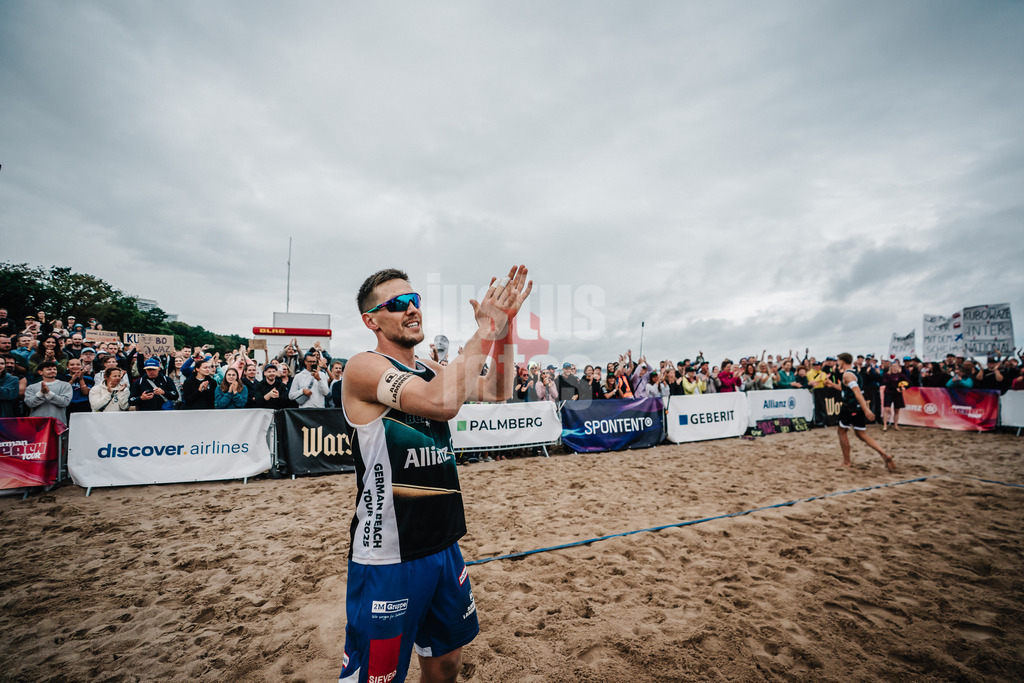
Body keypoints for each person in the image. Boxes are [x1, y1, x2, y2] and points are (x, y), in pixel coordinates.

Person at [338, 265, 531, 683]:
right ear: (371, 320)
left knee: (446, 665)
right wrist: (484, 331)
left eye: (415, 300)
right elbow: (441, 403)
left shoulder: (429, 366)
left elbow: (498, 388)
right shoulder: (362, 367)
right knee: (378, 677)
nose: (412, 310)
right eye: (397, 304)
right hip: (389, 556)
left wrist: (504, 330)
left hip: (443, 544)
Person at [835, 353, 896, 471]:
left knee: (842, 431)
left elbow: (857, 392)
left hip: (850, 407)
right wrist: (831, 384)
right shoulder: (856, 373)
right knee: (861, 434)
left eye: (838, 361)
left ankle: (846, 462)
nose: (837, 363)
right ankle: (884, 454)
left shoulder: (847, 375)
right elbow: (848, 390)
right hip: (857, 407)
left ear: (842, 362)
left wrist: (866, 409)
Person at [880, 360, 907, 431]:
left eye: (896, 366)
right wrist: (896, 388)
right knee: (887, 409)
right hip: (889, 392)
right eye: (893, 366)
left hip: (897, 394)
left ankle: (896, 425)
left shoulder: (901, 375)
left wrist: (904, 387)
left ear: (898, 367)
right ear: (891, 367)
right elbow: (887, 383)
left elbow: (908, 382)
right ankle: (885, 425)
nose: (895, 367)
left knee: (897, 410)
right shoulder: (887, 375)